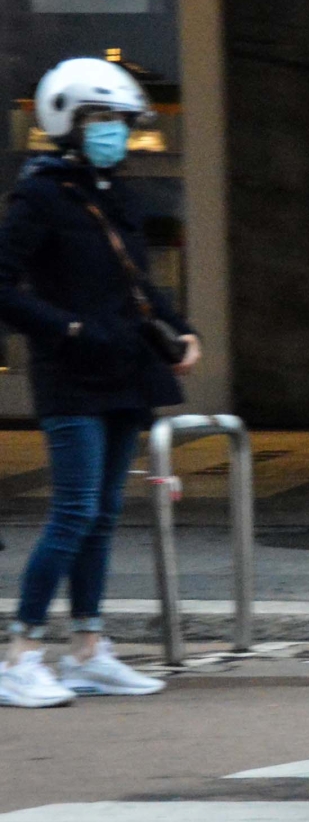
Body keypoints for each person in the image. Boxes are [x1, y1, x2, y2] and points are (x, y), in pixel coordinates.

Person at [0, 57, 199, 708]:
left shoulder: (115, 195)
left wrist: (177, 328)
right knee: (75, 511)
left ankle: (88, 649)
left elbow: (137, 282)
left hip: (125, 370)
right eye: (102, 119)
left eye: (121, 119)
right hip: (72, 374)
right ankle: (21, 652)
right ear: (68, 122)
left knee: (105, 516)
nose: (115, 131)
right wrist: (71, 330)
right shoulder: (39, 195)